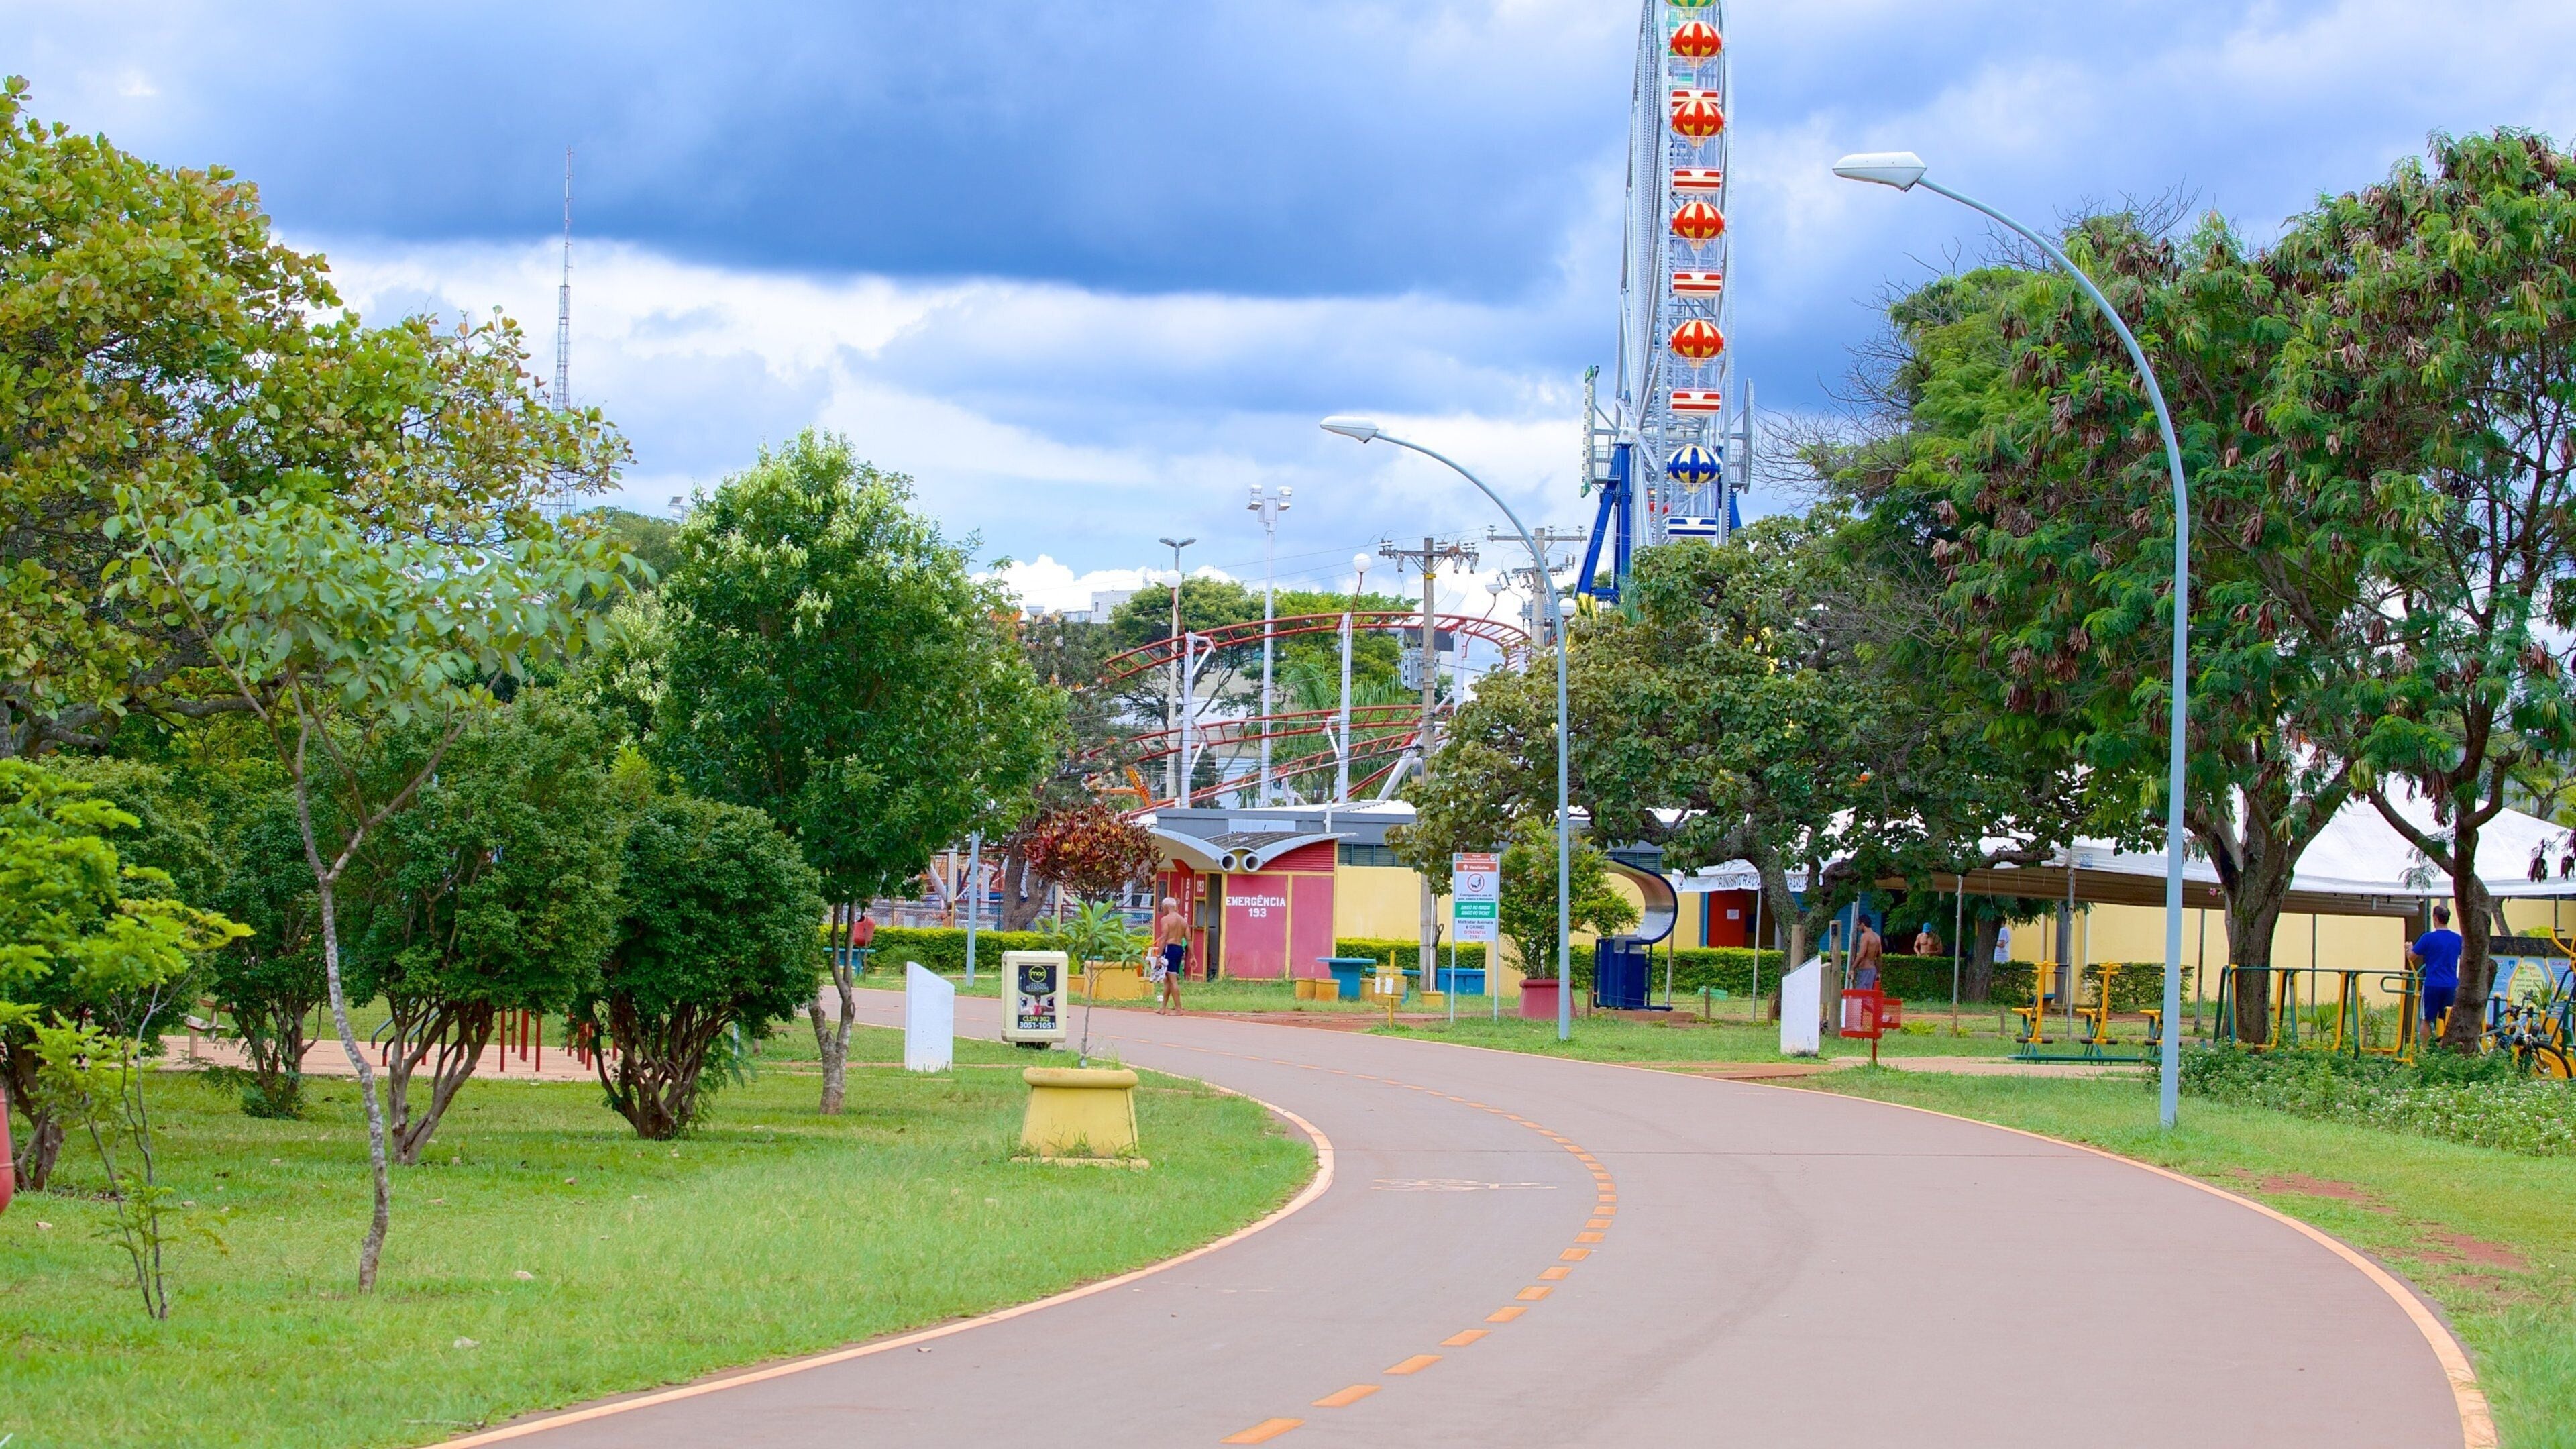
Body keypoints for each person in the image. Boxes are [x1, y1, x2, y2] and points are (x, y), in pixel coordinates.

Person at [2408, 903, 2465, 1035]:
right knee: (2448, 1019)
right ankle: (2445, 1048)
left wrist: (2408, 947)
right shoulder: (2457, 939)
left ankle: (2425, 1050)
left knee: (2426, 1019)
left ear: (2435, 918)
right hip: (2451, 984)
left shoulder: (2428, 938)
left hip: (2432, 984)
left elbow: (2412, 957)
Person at [1153, 896, 1191, 1016]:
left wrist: (1159, 955)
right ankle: (1163, 1008)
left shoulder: (1166, 919)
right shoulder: (1183, 921)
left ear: (1165, 907)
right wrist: (1193, 956)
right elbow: (1189, 940)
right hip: (1179, 949)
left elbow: (1164, 937)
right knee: (1168, 979)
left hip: (1170, 948)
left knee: (1172, 979)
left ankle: (1179, 1009)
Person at [1851, 919, 1884, 991]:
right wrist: (1879, 972)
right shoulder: (1877, 937)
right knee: (1868, 996)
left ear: (1863, 924)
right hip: (1873, 970)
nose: (1858, 928)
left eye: (1858, 925)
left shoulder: (1865, 936)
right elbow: (1879, 957)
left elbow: (1861, 955)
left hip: (1865, 970)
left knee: (1860, 996)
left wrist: (1852, 968)